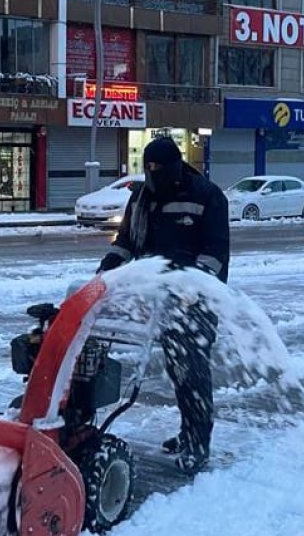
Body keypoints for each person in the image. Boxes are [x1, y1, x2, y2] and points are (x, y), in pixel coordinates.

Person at [97, 137, 230, 475]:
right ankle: (187, 432)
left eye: (159, 168)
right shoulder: (142, 197)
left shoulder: (206, 195)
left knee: (193, 373)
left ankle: (198, 443)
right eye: (148, 168)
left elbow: (216, 253)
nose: (153, 174)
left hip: (195, 299)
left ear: (175, 165)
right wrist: (107, 270)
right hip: (158, 298)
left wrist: (193, 286)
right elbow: (127, 241)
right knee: (176, 370)